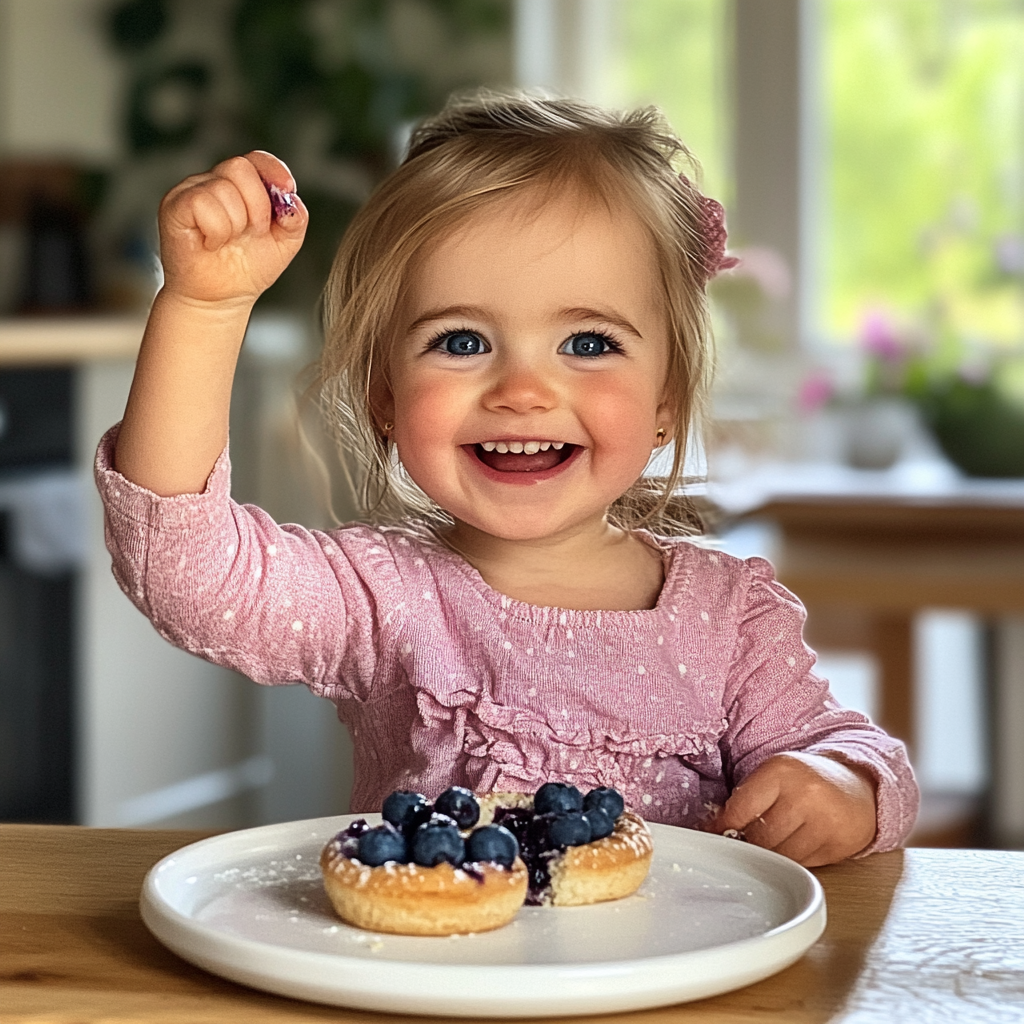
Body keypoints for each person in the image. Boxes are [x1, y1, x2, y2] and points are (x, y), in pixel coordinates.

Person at [97, 92, 918, 866]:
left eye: (589, 344)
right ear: (386, 399)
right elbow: (186, 570)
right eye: (460, 342)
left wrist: (844, 786)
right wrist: (202, 310)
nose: (522, 391)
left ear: (667, 400)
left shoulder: (731, 620)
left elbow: (857, 754)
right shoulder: (384, 599)